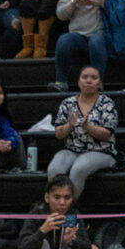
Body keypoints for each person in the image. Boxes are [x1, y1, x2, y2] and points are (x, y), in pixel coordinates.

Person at [46, 67, 117, 201]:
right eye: (85, 77)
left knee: (79, 168)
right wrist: (69, 126)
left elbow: (107, 134)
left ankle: (69, 210)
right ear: (78, 82)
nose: (88, 81)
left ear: (99, 83)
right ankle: (55, 208)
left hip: (102, 151)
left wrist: (88, 127)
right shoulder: (67, 103)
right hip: (72, 150)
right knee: (54, 169)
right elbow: (58, 134)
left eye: (93, 78)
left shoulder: (107, 103)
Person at [54, 0, 125, 86]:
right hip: (78, 36)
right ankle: (61, 82)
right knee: (63, 40)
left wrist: (101, 2)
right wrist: (75, 1)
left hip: (102, 35)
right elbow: (60, 14)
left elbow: (123, 11)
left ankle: (98, 83)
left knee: (96, 40)